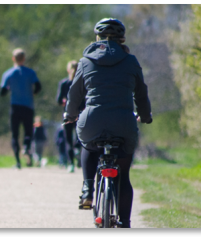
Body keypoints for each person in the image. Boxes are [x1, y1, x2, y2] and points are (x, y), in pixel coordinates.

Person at [65, 18, 152, 228]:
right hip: (123, 123)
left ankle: (87, 189)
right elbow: (141, 93)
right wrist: (145, 115)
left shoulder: (85, 61)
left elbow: (74, 94)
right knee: (123, 175)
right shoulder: (131, 61)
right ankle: (125, 222)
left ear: (97, 38)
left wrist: (69, 115)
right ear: (122, 39)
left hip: (92, 121)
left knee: (88, 144)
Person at [0, 48, 42, 169]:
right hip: (28, 106)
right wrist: (32, 93)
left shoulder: (8, 74)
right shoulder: (30, 72)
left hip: (15, 107)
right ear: (24, 59)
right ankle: (26, 147)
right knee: (28, 131)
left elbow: (2, 92)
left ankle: (18, 162)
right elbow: (38, 87)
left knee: (15, 134)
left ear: (13, 58)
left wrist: (10, 88)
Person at [56, 61, 83, 173]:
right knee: (80, 136)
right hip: (80, 113)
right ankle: (78, 149)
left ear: (68, 70)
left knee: (68, 140)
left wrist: (64, 101)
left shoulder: (64, 83)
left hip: (67, 114)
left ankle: (71, 164)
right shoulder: (82, 82)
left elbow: (58, 100)